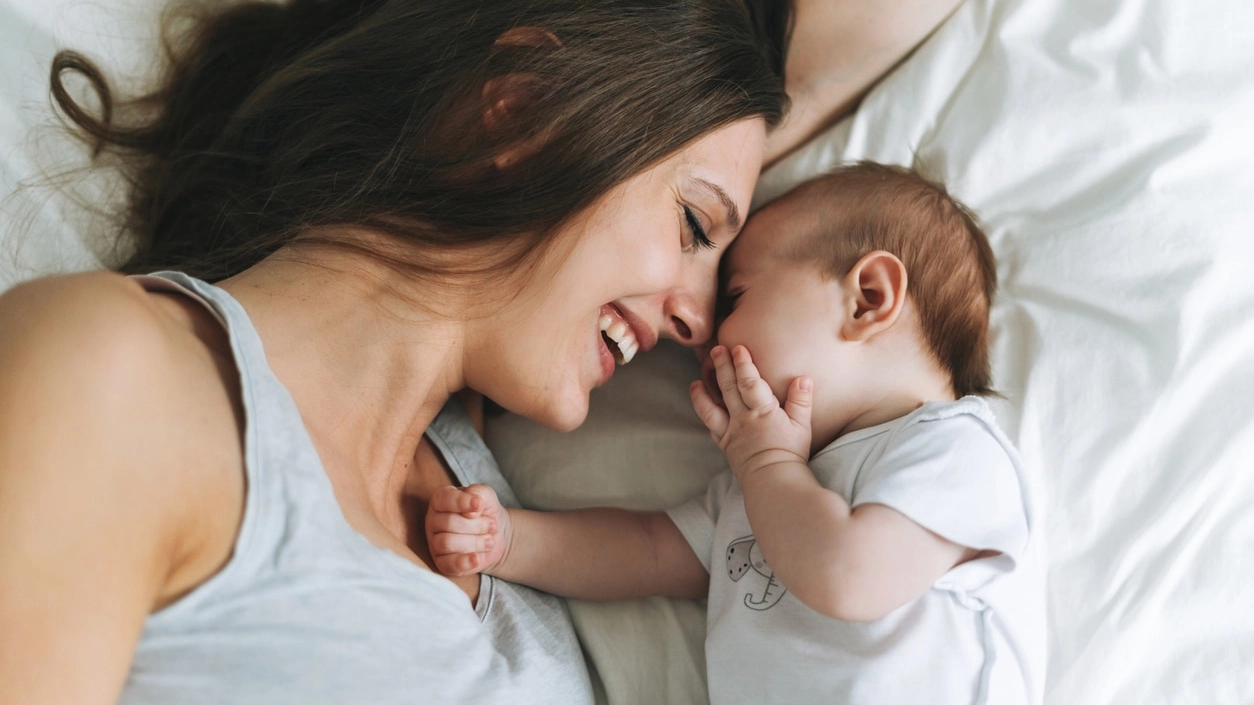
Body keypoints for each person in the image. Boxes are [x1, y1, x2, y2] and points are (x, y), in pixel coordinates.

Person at [0, 0, 787, 702]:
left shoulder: (475, 477)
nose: (701, 319)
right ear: (526, 107)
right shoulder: (114, 375)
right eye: (691, 224)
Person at [426, 163, 1044, 704]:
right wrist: (511, 543)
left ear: (867, 299)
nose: (706, 343)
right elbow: (648, 550)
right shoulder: (761, 477)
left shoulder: (953, 450)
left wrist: (770, 465)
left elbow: (848, 576)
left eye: (738, 297)